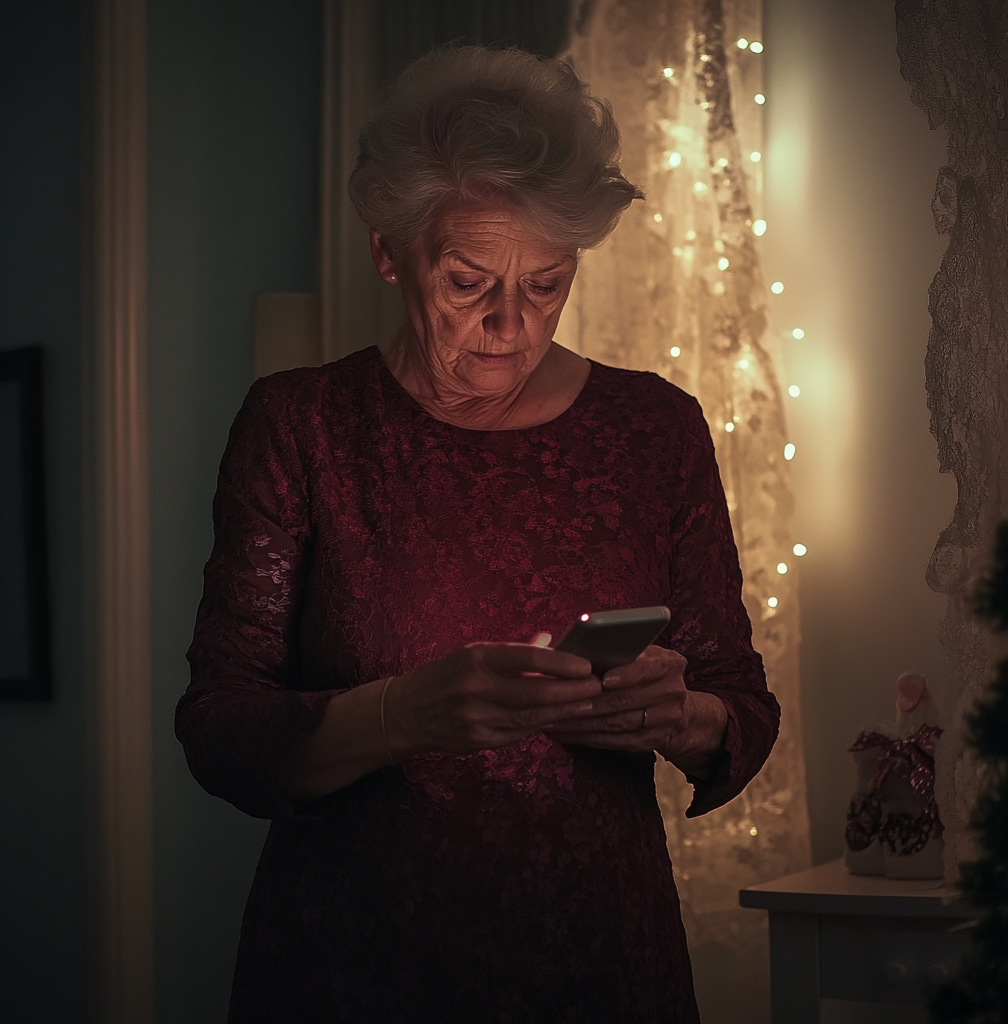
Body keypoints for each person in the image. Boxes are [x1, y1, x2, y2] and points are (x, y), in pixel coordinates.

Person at [177, 45, 780, 1024]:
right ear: (388, 250)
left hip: (601, 957)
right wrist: (400, 716)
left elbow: (741, 708)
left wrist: (679, 718)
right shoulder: (302, 425)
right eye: (467, 283)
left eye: (547, 284)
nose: (510, 323)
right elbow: (219, 729)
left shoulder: (652, 428)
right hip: (352, 963)